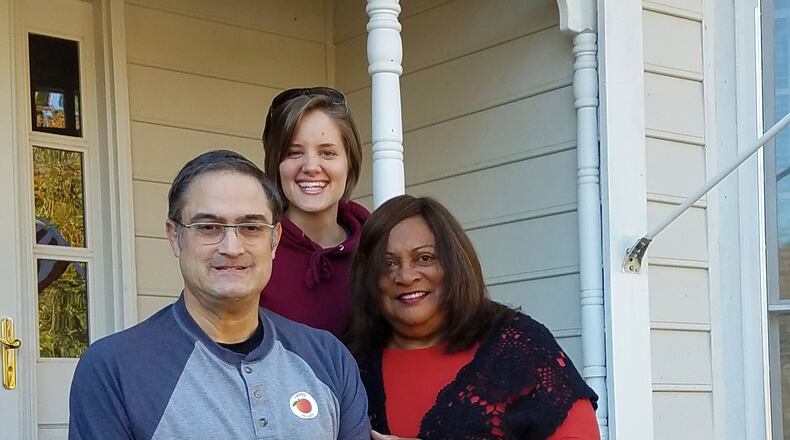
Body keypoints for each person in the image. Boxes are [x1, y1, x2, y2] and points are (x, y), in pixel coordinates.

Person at [68, 150, 371, 440]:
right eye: (209, 227)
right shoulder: (115, 369)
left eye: (251, 227)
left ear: (274, 240)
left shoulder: (329, 359)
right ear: (175, 237)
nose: (231, 247)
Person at [346, 195, 599, 440]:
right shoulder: (349, 363)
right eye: (387, 264)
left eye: (424, 258)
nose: (405, 276)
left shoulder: (520, 346)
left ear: (454, 263)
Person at [260, 87, 367, 337]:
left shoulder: (379, 250)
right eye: (294, 152)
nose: (310, 167)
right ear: (276, 164)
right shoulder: (251, 249)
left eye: (327, 153)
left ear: (349, 162)